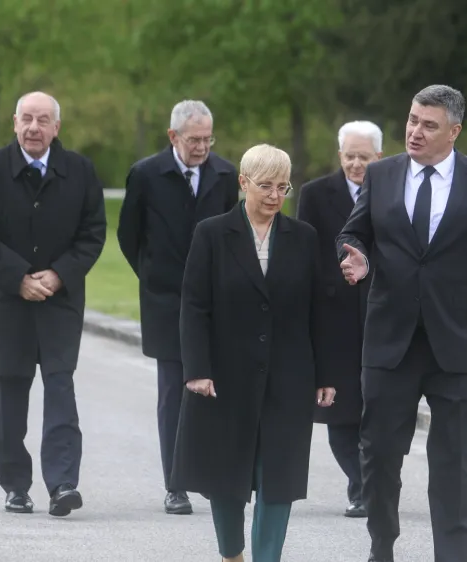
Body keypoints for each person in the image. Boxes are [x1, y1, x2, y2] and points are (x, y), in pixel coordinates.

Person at [336, 85, 467, 562]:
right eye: (412, 120)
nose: (415, 132)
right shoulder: (380, 174)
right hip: (389, 340)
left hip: (454, 342)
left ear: (454, 131)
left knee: (454, 460)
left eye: (429, 125)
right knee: (379, 453)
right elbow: (355, 231)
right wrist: (355, 255)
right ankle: (382, 545)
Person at [171, 144, 337, 562]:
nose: (275, 196)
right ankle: (232, 554)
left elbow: (320, 310)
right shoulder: (211, 234)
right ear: (243, 183)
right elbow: (194, 306)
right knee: (226, 477)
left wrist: (326, 374)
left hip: (289, 377)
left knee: (278, 479)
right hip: (226, 377)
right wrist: (197, 369)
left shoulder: (304, 237)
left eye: (283, 187)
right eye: (265, 186)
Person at [0, 91, 106, 517]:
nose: (33, 127)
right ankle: (15, 486)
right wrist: (18, 278)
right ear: (14, 122)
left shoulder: (80, 171)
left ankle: (63, 484)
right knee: (8, 399)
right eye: (26, 118)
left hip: (59, 302)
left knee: (61, 389)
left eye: (43, 120)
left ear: (56, 127)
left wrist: (59, 274)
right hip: (4, 301)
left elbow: (93, 234)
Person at [117, 99, 240, 515]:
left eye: (208, 139)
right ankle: (176, 484)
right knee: (174, 391)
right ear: (173, 136)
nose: (202, 147)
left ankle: (215, 475)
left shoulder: (225, 175)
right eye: (194, 140)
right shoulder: (145, 175)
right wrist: (153, 276)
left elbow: (233, 233)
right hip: (165, 302)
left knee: (216, 389)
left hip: (216, 301)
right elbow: (129, 235)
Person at [296, 120, 383, 518]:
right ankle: (362, 486)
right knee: (338, 411)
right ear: (339, 155)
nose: (355, 164)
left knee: (378, 410)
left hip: (382, 312)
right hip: (333, 317)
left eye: (363, 157)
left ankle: (372, 484)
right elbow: (307, 255)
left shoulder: (393, 191)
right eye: (349, 156)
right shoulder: (315, 194)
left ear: (378, 156)